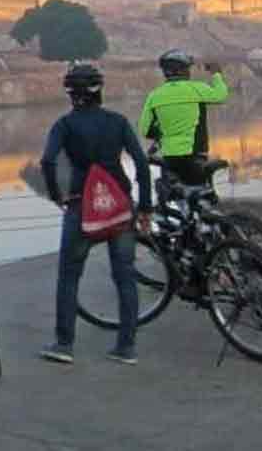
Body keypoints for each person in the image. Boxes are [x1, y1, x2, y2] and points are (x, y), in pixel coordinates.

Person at [39, 64, 153, 365]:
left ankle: (64, 345)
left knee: (69, 276)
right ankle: (126, 347)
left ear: (70, 94)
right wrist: (146, 208)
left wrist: (56, 195)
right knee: (125, 276)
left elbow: (48, 162)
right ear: (99, 91)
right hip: (119, 207)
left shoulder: (64, 125)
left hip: (80, 205)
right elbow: (141, 164)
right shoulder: (117, 122)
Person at [138, 49, 229, 186]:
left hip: (168, 158)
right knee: (199, 196)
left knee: (172, 194)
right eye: (187, 68)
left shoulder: (154, 96)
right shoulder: (196, 89)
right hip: (195, 155)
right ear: (182, 70)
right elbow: (221, 95)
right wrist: (216, 74)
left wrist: (161, 134)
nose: (189, 71)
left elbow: (144, 129)